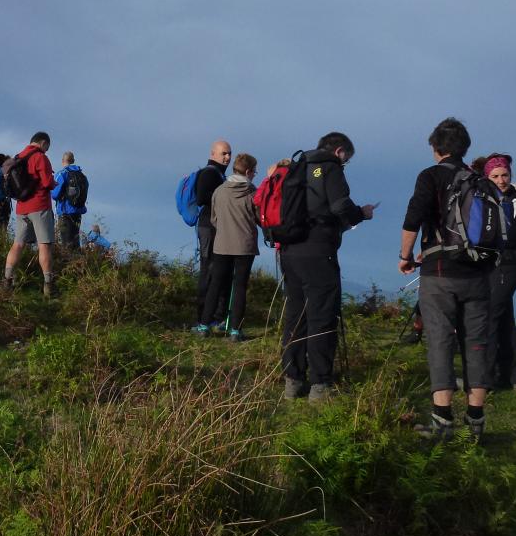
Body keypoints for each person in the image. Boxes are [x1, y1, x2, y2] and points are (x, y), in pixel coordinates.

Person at [399, 118, 492, 441]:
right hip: (478, 273)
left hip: (439, 271)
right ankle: (476, 422)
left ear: (436, 147)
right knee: (477, 342)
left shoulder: (431, 176)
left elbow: (413, 218)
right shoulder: (479, 181)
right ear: (464, 148)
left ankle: (442, 422)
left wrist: (405, 257)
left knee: (439, 340)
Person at [281, 132, 376, 403]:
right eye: (347, 157)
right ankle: (320, 386)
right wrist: (362, 213)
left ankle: (292, 381)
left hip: (289, 250)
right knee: (321, 316)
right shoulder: (331, 169)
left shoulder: (297, 165)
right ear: (339, 151)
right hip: (318, 251)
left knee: (295, 317)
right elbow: (339, 206)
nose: (346, 163)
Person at [472, 153, 516, 391]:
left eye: (504, 175)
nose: (501, 180)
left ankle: (483, 380)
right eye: (495, 176)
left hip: (509, 264)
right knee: (505, 319)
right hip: (496, 264)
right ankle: (513, 376)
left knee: (488, 316)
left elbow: (515, 235)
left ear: (511, 174)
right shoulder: (490, 199)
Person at [195, 153, 260, 342]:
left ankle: (204, 325)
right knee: (239, 287)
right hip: (245, 246)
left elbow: (214, 219)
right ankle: (235, 331)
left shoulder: (219, 191)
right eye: (254, 171)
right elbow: (258, 218)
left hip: (222, 244)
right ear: (248, 171)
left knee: (215, 283)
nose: (255, 174)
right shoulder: (252, 192)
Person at [3, 132, 57, 296]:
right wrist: (55, 182)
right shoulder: (40, 157)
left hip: (21, 207)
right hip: (39, 205)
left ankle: (7, 280)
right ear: (43, 143)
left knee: (18, 244)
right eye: (47, 147)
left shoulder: (19, 157)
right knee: (44, 245)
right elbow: (47, 182)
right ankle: (49, 285)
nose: (47, 150)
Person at [194, 141, 231, 326]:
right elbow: (202, 198)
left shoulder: (220, 175)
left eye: (230, 153)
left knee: (216, 271)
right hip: (209, 227)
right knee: (208, 270)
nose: (228, 157)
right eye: (224, 153)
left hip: (214, 227)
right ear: (213, 154)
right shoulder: (209, 173)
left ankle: (214, 317)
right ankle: (204, 319)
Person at [51, 151, 88, 250]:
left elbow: (55, 195)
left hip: (65, 212)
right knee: (75, 241)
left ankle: (68, 263)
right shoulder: (82, 176)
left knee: (66, 242)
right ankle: (78, 262)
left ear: (63, 161)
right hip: (78, 211)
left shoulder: (62, 174)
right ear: (73, 161)